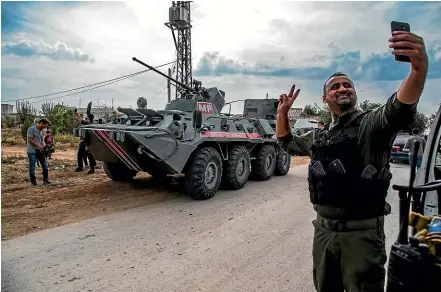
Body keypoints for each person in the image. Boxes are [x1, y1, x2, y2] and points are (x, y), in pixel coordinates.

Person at [276, 30, 428, 292]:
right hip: (323, 232)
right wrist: (282, 112)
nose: (342, 88)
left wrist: (417, 69)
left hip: (361, 236)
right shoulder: (321, 135)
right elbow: (286, 142)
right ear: (325, 99)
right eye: (335, 87)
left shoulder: (371, 124)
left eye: (347, 85)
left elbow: (398, 108)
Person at [27, 118, 51, 186]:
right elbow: (30, 140)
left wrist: (44, 146)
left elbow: (41, 140)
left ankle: (45, 180)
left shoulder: (41, 131)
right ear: (41, 123)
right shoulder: (31, 129)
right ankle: (33, 182)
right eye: (45, 126)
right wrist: (38, 146)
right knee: (32, 166)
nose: (45, 127)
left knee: (45, 166)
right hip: (32, 151)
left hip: (40, 151)